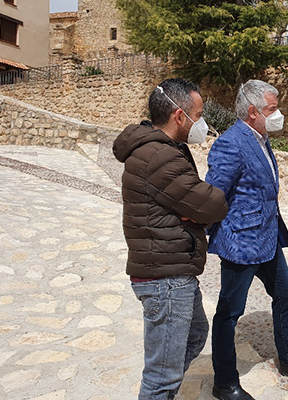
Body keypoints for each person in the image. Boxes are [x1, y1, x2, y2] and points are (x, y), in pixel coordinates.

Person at [206, 79, 288, 400]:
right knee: (229, 313)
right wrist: (210, 234)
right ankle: (225, 382)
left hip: (268, 239)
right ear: (253, 112)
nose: (278, 114)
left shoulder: (261, 138)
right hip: (242, 243)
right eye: (273, 109)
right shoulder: (231, 143)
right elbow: (214, 196)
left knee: (286, 295)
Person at [112, 78, 228, 400]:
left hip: (173, 270)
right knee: (161, 376)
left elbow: (195, 203)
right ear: (180, 116)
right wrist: (198, 210)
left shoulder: (165, 149)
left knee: (195, 334)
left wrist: (192, 209)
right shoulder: (160, 156)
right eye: (199, 115)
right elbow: (213, 204)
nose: (203, 124)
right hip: (165, 278)